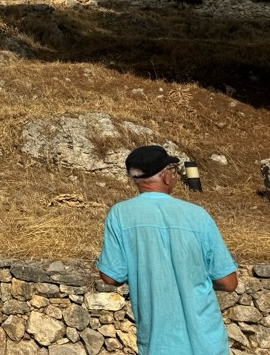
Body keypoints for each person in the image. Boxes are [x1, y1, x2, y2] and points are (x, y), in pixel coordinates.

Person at [97, 145, 238, 355]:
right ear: (165, 176)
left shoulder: (119, 215)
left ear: (135, 179)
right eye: (171, 170)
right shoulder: (198, 215)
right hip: (207, 343)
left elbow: (111, 277)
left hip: (159, 344)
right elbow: (229, 282)